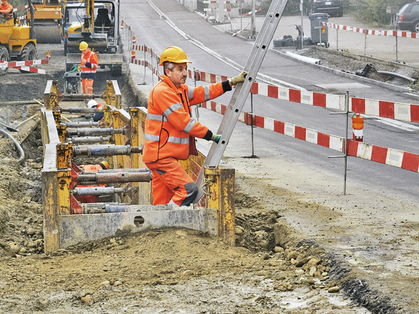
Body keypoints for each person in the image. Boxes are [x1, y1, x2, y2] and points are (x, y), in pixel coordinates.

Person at [142, 46, 247, 207]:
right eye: (180, 69)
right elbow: (183, 122)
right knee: (188, 190)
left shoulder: (178, 90)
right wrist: (211, 136)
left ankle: (160, 225)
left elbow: (203, 92)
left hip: (162, 156)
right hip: (160, 157)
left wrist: (230, 82)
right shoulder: (163, 92)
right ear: (168, 71)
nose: (185, 73)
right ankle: (171, 222)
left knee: (161, 203)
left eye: (185, 68)